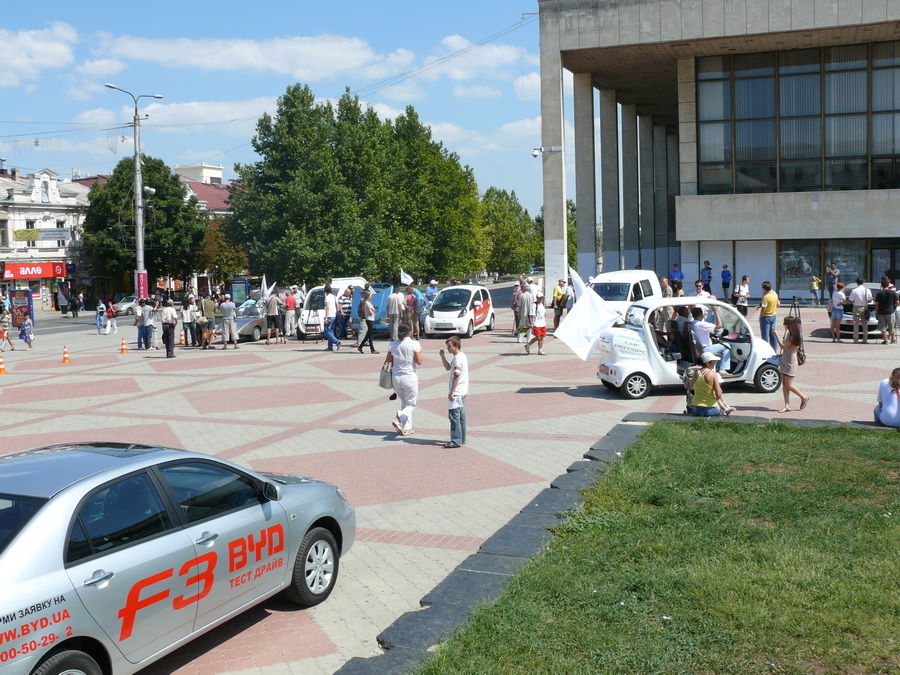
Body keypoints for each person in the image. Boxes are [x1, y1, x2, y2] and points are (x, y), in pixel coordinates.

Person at [385, 324, 422, 436]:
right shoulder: (414, 344)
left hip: (396, 377)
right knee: (411, 404)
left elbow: (388, 360)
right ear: (410, 331)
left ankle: (406, 428)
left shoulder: (393, 344)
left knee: (405, 402)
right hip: (409, 377)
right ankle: (399, 419)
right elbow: (419, 361)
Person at [774, 315, 809, 413]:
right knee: (784, 384)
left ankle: (803, 397)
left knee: (788, 385)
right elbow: (787, 349)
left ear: (789, 325)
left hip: (791, 362)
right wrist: (780, 355)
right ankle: (787, 405)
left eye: (784, 323)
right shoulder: (789, 333)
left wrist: (776, 335)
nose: (783, 325)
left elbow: (783, 346)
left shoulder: (793, 336)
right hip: (784, 360)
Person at [439, 335, 468, 448]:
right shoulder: (460, 356)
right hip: (462, 391)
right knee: (461, 417)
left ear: (456, 346)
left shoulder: (458, 359)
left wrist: (452, 392)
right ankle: (462, 438)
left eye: (449, 346)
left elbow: (456, 375)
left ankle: (456, 440)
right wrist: (442, 356)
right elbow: (448, 367)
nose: (448, 348)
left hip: (457, 392)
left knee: (454, 417)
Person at [690, 306, 731, 373]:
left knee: (720, 349)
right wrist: (716, 312)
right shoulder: (701, 324)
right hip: (705, 349)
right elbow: (719, 326)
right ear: (702, 315)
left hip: (698, 349)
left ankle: (718, 368)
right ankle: (723, 370)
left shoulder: (692, 323)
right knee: (727, 346)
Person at [848, 277, 873, 344]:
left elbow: (851, 301)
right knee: (865, 324)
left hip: (856, 307)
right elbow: (870, 300)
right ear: (863, 283)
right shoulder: (867, 290)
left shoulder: (854, 290)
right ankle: (865, 340)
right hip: (864, 307)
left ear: (857, 283)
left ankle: (856, 339)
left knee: (856, 324)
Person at [756, 281, 779, 351]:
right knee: (773, 334)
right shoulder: (775, 295)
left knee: (765, 335)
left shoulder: (766, 297)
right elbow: (778, 305)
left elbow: (764, 308)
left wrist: (760, 316)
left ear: (764, 289)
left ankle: (765, 350)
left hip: (766, 317)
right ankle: (774, 350)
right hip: (773, 315)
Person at [874, 277, 898, 344]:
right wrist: (893, 306)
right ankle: (892, 339)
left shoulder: (879, 293)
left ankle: (885, 340)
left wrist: (876, 313)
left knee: (882, 327)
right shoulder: (893, 292)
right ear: (888, 285)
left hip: (881, 312)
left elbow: (877, 304)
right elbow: (897, 302)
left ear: (881, 285)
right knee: (891, 326)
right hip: (890, 311)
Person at [526, 290, 548, 355]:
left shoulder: (542, 304)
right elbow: (530, 316)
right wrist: (531, 323)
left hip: (543, 323)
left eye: (542, 297)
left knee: (542, 337)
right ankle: (528, 345)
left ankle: (540, 350)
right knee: (538, 337)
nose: (541, 299)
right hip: (536, 324)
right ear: (537, 298)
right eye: (540, 297)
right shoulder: (534, 305)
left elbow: (543, 313)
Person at [357, 290, 378, 354]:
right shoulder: (366, 302)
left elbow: (372, 309)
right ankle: (372, 349)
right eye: (370, 295)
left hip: (370, 319)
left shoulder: (367, 302)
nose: (371, 296)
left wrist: (372, 309)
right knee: (370, 335)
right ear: (368, 296)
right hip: (369, 319)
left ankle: (360, 347)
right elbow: (371, 311)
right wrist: (372, 310)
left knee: (368, 335)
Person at [322, 284, 341, 351]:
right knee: (331, 331)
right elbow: (337, 306)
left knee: (327, 331)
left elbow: (327, 307)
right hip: (334, 315)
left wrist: (326, 317)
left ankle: (337, 341)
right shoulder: (334, 297)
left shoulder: (327, 297)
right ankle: (330, 346)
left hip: (329, 315)